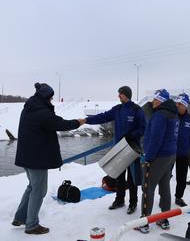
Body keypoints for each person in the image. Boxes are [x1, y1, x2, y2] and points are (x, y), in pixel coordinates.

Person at [12, 83, 82, 235]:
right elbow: (60, 124)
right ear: (45, 97)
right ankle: (31, 225)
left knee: (32, 187)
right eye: (50, 98)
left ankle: (20, 217)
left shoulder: (30, 107)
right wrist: (78, 122)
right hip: (36, 158)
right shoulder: (42, 112)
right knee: (39, 190)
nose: (51, 100)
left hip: (27, 155)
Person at [84, 86, 146, 214]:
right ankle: (119, 200)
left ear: (126, 95)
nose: (118, 96)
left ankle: (133, 203)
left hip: (132, 148)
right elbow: (103, 117)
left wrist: (131, 135)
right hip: (119, 148)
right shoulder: (117, 109)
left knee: (132, 178)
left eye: (120, 94)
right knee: (119, 175)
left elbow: (143, 128)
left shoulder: (136, 110)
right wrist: (86, 120)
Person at [137, 89, 179, 233]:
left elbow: (156, 138)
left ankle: (144, 221)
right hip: (170, 155)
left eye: (155, 100)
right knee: (164, 186)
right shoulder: (174, 115)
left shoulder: (159, 116)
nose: (153, 102)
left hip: (157, 157)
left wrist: (148, 158)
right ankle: (164, 218)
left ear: (161, 101)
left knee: (147, 187)